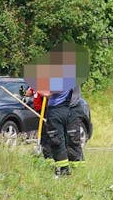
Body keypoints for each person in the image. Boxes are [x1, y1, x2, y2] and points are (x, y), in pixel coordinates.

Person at [34, 48, 85, 177]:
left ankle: (67, 170)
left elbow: (47, 93)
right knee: (60, 140)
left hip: (61, 110)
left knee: (62, 140)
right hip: (59, 110)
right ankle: (65, 169)